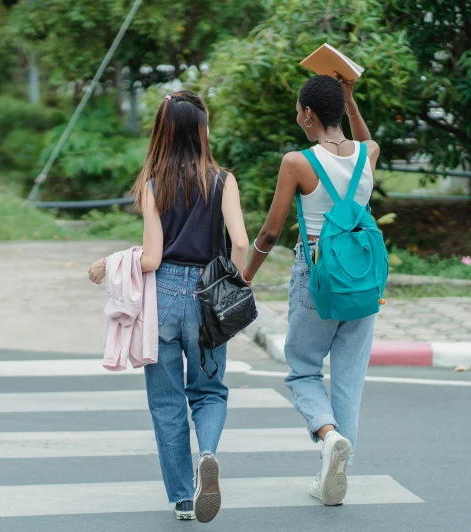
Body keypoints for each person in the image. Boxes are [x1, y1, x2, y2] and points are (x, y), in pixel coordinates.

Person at [88, 90, 249, 522]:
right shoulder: (223, 180)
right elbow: (240, 243)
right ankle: (208, 454)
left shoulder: (153, 185)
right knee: (209, 389)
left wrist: (110, 263)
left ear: (162, 132)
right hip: (208, 292)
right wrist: (229, 288)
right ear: (202, 130)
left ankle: (181, 498)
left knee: (166, 402)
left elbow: (152, 259)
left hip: (160, 299)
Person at [241, 74, 380, 506]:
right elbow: (366, 138)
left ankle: (328, 434)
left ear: (307, 114)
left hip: (316, 276)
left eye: (298, 111)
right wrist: (350, 98)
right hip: (362, 279)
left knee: (302, 368)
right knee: (349, 380)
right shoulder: (368, 155)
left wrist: (245, 277)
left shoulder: (298, 163)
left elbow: (269, 232)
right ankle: (336, 472)